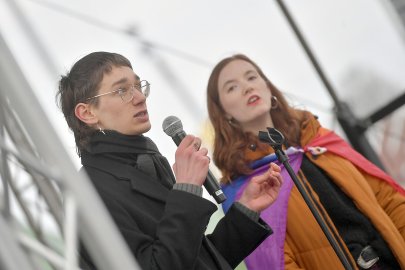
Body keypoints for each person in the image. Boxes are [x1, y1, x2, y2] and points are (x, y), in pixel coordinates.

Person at [56, 51, 284, 270]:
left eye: (137, 85)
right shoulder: (88, 194)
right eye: (121, 90)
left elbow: (198, 260)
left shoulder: (146, 162)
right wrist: (187, 190)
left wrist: (245, 212)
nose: (139, 97)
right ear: (87, 113)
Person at [206, 53, 405, 270]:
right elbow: (276, 263)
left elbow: (388, 199)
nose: (246, 87)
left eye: (252, 77)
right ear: (224, 114)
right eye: (231, 87)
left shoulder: (319, 139)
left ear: (268, 87)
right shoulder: (243, 191)